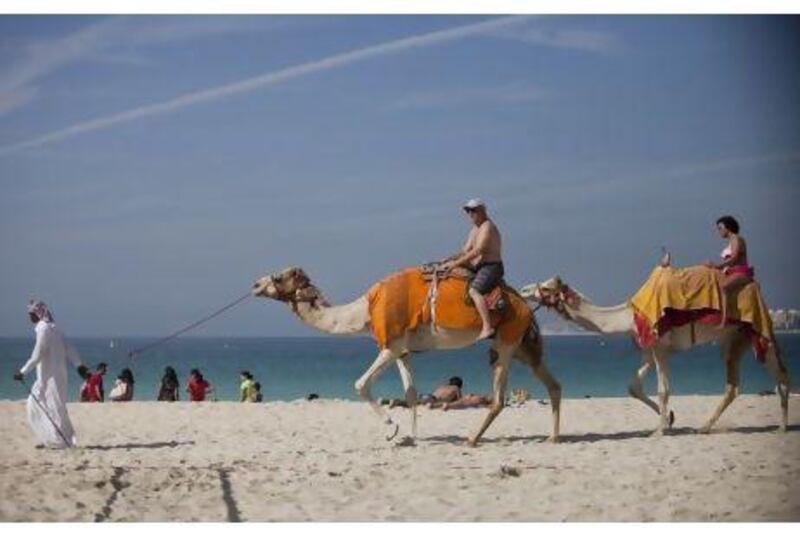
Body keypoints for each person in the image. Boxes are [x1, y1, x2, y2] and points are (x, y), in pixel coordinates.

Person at [13, 300, 84, 449]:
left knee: (53, 408)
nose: (29, 317)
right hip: (56, 375)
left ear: (37, 314)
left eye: (31, 314)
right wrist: (79, 365)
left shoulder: (44, 329)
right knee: (43, 405)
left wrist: (22, 372)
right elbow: (70, 349)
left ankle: (60, 442)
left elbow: (37, 355)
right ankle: (52, 439)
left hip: (50, 377)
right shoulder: (55, 328)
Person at [441, 198, 504, 340]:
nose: (470, 214)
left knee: (474, 291)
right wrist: (449, 260)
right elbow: (465, 251)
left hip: (491, 267)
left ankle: (487, 327)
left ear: (482, 210)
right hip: (479, 266)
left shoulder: (487, 227)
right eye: (468, 211)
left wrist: (455, 263)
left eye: (473, 210)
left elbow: (478, 251)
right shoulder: (475, 229)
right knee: (450, 272)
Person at [704, 215, 755, 326]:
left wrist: (717, 266)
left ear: (728, 228)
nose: (719, 231)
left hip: (741, 272)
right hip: (732, 272)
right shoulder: (731, 240)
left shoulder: (736, 238)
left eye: (720, 228)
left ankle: (724, 320)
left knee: (724, 286)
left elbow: (735, 258)